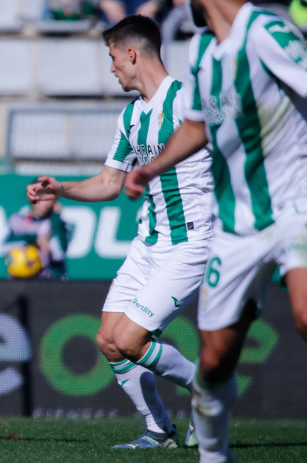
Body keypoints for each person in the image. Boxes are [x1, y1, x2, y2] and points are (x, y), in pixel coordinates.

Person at [123, 1, 307, 461]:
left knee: (305, 314)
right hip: (236, 226)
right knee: (214, 363)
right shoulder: (203, 49)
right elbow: (197, 126)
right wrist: (150, 169)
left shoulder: (268, 32)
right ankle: (213, 456)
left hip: (294, 207)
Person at [28, 15, 214, 449]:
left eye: (113, 57)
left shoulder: (189, 102)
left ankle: (207, 392)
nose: (111, 68)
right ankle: (159, 430)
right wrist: (62, 188)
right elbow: (110, 183)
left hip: (191, 242)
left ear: (132, 54)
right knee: (110, 342)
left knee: (131, 339)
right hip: (148, 243)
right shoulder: (131, 116)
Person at [3, 191, 70, 281]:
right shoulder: (17, 219)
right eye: (42, 199)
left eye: (50, 200)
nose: (45, 204)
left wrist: (56, 217)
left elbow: (59, 252)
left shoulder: (58, 223)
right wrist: (35, 239)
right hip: (19, 279)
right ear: (32, 199)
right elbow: (3, 247)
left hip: (48, 281)